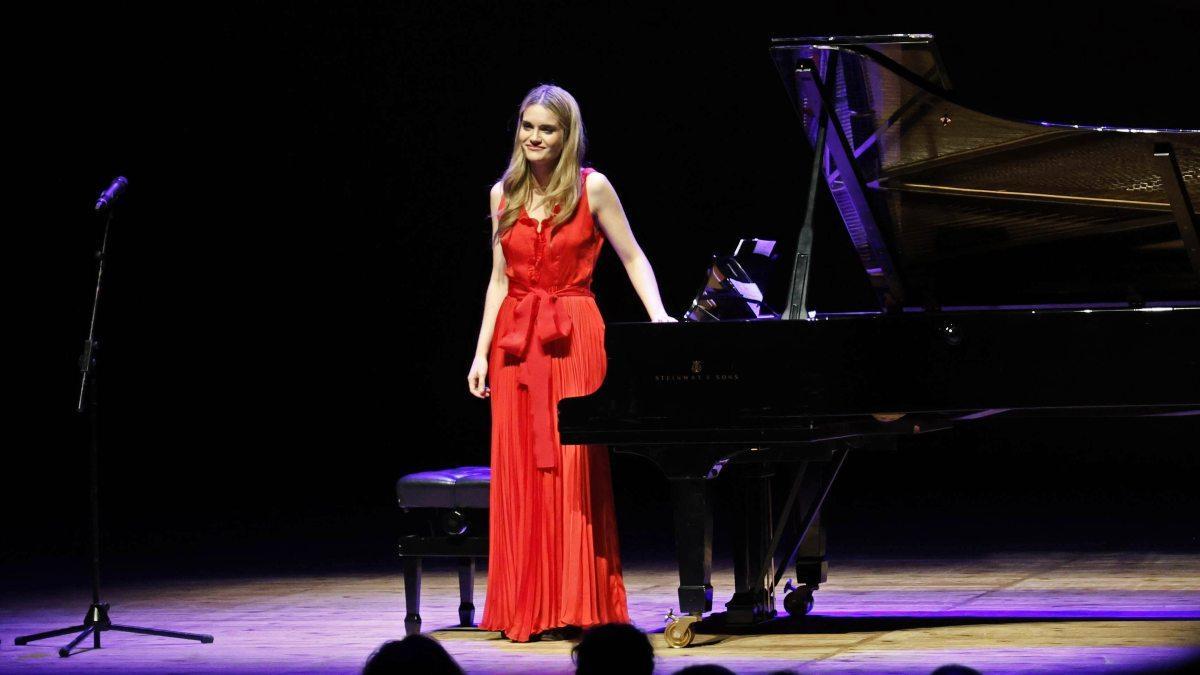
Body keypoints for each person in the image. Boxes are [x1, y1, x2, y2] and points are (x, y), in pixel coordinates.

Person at [467, 83, 676, 643]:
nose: (535, 138)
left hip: (575, 335)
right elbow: (499, 279)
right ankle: (526, 608)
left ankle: (579, 603)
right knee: (521, 473)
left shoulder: (593, 187)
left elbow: (633, 255)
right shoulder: (501, 193)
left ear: (567, 135)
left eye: (547, 129)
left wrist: (659, 316)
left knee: (573, 471)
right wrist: (480, 351)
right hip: (516, 342)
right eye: (528, 126)